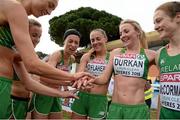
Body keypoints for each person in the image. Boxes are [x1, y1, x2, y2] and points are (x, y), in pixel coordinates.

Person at [0, 0, 91, 118]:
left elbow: (29, 83)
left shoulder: (16, 54)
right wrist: (72, 77)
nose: (49, 12)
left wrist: (62, 93)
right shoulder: (15, 8)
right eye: (50, 5)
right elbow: (32, 65)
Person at [85, 19, 156, 119]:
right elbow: (104, 78)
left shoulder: (151, 55)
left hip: (137, 110)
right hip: (115, 109)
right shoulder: (115, 53)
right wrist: (91, 79)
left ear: (138, 32)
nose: (122, 36)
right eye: (121, 33)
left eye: (126, 31)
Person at [30, 29, 81, 119]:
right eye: (70, 41)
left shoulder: (72, 59)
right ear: (64, 41)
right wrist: (67, 83)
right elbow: (44, 78)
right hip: (44, 93)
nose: (73, 45)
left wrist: (65, 90)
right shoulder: (57, 55)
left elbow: (63, 75)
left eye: (76, 43)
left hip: (56, 93)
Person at [71, 28, 110, 119]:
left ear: (105, 39)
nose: (95, 42)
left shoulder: (111, 57)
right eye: (92, 40)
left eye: (98, 39)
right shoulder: (86, 57)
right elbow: (79, 75)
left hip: (99, 99)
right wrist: (88, 53)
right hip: (82, 96)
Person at [10, 18, 42, 119]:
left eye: (39, 37)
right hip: (12, 102)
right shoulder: (13, 52)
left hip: (26, 103)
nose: (37, 40)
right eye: (34, 35)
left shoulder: (34, 56)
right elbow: (28, 83)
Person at [153, 1, 180, 119]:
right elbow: (162, 93)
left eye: (158, 21)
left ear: (178, 17)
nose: (155, 27)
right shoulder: (159, 54)